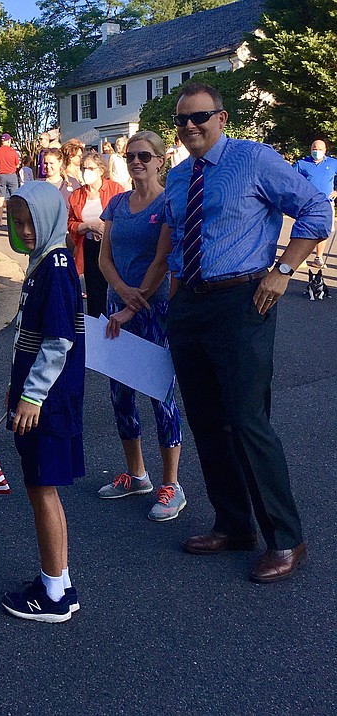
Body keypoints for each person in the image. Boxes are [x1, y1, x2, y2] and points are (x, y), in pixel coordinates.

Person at [164, 83, 332, 583]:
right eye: (182, 120)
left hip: (243, 301)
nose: (190, 126)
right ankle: (234, 525)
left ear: (222, 117)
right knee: (206, 420)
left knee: (247, 421)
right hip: (190, 305)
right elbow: (175, 242)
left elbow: (316, 210)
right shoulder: (177, 179)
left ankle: (286, 538)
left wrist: (283, 270)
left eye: (199, 117)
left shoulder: (253, 160)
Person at [1, 180, 85, 623]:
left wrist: (30, 396)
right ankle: (59, 581)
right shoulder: (45, 262)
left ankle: (54, 594)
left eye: (31, 219)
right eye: (18, 221)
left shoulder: (54, 267)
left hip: (47, 404)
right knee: (40, 487)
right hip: (39, 398)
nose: (25, 228)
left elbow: (58, 341)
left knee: (43, 489)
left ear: (50, 216)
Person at [97, 131, 184, 521]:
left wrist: (133, 306)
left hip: (153, 312)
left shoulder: (167, 203)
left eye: (145, 156)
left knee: (159, 397)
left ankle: (172, 484)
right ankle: (137, 475)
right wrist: (119, 294)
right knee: (121, 396)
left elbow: (162, 261)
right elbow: (104, 258)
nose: (136, 162)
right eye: (131, 156)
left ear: (160, 161)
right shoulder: (116, 203)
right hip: (117, 309)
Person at [68, 151, 124, 317]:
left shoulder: (115, 189)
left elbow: (123, 217)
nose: (86, 172)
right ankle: (96, 329)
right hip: (89, 247)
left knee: (113, 288)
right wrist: (89, 226)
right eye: (84, 168)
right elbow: (71, 224)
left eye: (91, 168)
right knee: (94, 291)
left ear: (100, 170)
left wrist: (105, 228)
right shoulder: (77, 195)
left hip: (112, 246)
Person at [293, 139, 337, 267]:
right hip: (306, 203)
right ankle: (300, 258)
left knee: (324, 230)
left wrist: (336, 191)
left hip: (326, 202)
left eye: (319, 149)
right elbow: (291, 179)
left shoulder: (333, 163)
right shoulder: (302, 164)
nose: (316, 151)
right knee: (304, 230)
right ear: (310, 149)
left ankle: (319, 257)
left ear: (325, 151)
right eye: (314, 149)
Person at [0, 133, 20, 226]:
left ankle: (0, 221)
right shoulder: (13, 152)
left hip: (1, 175)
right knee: (15, 198)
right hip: (12, 175)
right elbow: (17, 164)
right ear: (8, 141)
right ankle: (15, 220)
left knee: (0, 199)